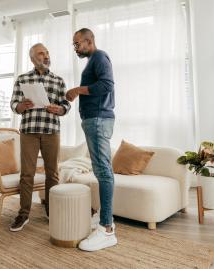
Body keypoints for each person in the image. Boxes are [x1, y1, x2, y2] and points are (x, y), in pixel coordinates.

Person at [9, 43, 71, 232]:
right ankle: (23, 214)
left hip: (51, 131)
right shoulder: (23, 79)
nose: (45, 56)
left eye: (47, 52)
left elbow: (65, 105)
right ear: (32, 58)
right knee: (27, 174)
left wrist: (60, 109)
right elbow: (14, 105)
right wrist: (21, 106)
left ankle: (51, 211)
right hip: (29, 131)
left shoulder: (58, 80)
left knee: (52, 173)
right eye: (41, 53)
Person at [66, 28, 117, 251]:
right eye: (74, 45)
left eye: (77, 44)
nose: (76, 48)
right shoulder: (92, 60)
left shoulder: (99, 56)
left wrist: (77, 90)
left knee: (103, 171)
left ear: (89, 41)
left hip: (98, 119)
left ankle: (106, 229)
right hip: (93, 119)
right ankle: (103, 219)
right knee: (100, 170)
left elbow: (107, 85)